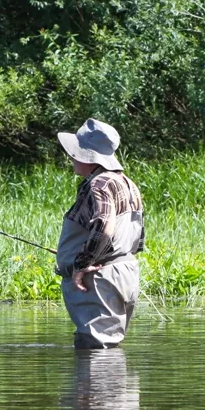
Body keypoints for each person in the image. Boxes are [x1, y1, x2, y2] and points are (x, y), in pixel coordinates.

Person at [55, 118, 145, 349]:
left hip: (99, 277)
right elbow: (136, 236)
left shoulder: (100, 184)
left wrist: (83, 263)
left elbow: (105, 225)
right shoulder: (127, 183)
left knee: (95, 347)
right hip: (125, 272)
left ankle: (97, 386)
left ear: (88, 156)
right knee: (107, 346)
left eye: (75, 152)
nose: (71, 156)